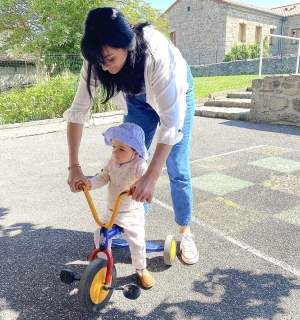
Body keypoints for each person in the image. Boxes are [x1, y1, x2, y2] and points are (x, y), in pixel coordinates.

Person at [64, 7, 199, 265]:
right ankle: (134, 226)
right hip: (137, 100)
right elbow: (77, 112)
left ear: (126, 44)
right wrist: (74, 166)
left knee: (176, 166)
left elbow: (171, 125)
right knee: (127, 163)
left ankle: (185, 231)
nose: (104, 66)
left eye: (110, 58)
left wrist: (151, 175)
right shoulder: (97, 58)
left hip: (176, 92)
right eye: (99, 61)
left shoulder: (157, 56)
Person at [75, 122, 155, 288]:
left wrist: (140, 185)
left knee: (137, 241)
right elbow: (103, 177)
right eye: (114, 147)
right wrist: (89, 184)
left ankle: (141, 269)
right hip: (112, 210)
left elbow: (146, 180)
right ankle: (103, 265)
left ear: (136, 151)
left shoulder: (139, 164)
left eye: (121, 149)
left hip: (131, 212)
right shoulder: (113, 161)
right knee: (100, 234)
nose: (115, 152)